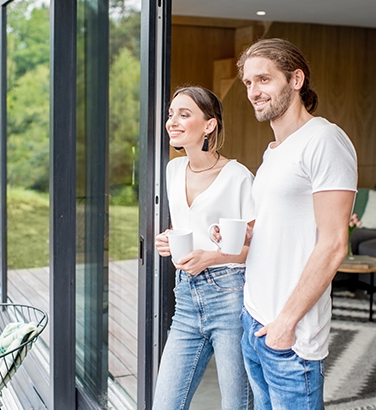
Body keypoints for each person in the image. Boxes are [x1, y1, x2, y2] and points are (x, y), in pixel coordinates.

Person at [236, 38, 358, 409]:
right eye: (247, 83)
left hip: (291, 336)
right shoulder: (272, 151)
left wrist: (286, 323)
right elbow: (278, 228)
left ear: (296, 79)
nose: (254, 92)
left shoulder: (324, 140)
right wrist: (245, 234)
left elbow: (334, 242)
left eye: (264, 80)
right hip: (255, 320)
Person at [153, 86, 254, 410]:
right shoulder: (173, 170)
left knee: (235, 404)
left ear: (209, 125)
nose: (173, 121)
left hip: (229, 296)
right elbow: (190, 227)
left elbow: (259, 247)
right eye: (171, 114)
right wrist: (166, 239)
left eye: (184, 114)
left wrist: (212, 256)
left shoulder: (237, 177)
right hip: (185, 297)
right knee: (166, 404)